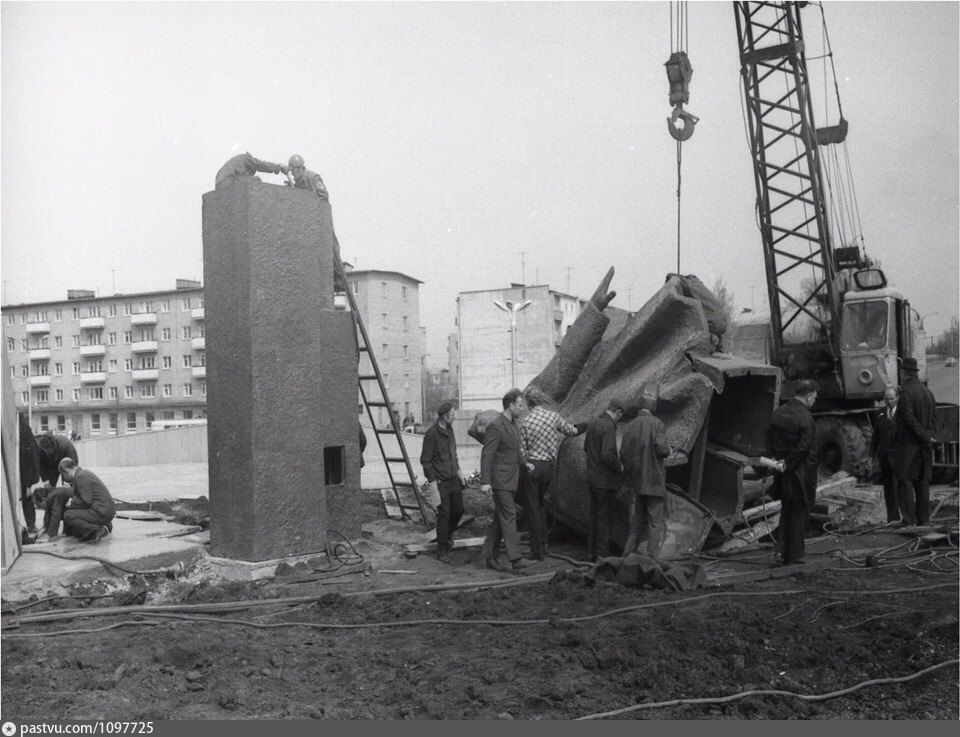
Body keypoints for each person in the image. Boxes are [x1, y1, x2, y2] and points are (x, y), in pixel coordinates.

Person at [519, 386, 585, 560]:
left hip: (533, 467)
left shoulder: (526, 422)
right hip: (549, 468)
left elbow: (522, 451)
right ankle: (545, 545)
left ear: (527, 402)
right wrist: (585, 426)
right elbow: (572, 431)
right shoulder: (553, 416)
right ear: (541, 400)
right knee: (542, 505)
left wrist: (526, 464)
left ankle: (537, 551)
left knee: (533, 509)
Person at [480, 389, 535, 572]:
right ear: (511, 405)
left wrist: (525, 463)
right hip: (500, 481)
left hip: (512, 479)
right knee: (510, 514)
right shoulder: (496, 426)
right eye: (520, 406)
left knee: (500, 518)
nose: (522, 409)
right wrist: (485, 481)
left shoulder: (513, 424)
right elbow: (487, 455)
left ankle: (489, 556)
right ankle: (516, 559)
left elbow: (515, 450)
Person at [766, 380, 819, 564]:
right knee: (798, 512)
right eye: (814, 398)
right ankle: (795, 554)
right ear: (809, 395)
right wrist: (789, 463)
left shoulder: (778, 412)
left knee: (786, 510)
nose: (814, 402)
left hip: (781, 472)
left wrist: (777, 459)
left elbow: (768, 438)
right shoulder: (805, 416)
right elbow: (804, 447)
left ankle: (780, 551)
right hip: (800, 472)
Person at [621, 389, 672, 559]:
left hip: (637, 483)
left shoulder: (629, 426)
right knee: (655, 523)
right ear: (653, 408)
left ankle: (626, 555)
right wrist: (669, 450)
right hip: (654, 482)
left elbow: (623, 454)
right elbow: (661, 448)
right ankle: (651, 562)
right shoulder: (657, 424)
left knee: (638, 521)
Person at [420, 401, 467, 563]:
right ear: (444, 416)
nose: (454, 417)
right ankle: (441, 550)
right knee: (444, 514)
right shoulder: (431, 435)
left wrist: (460, 474)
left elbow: (453, 455)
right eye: (452, 414)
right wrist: (433, 485)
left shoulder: (450, 430)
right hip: (440, 482)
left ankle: (447, 537)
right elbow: (426, 462)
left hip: (453, 479)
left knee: (459, 510)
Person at [894, 357, 937, 526]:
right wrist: (928, 436)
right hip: (925, 447)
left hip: (908, 446)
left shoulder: (906, 392)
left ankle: (909, 521)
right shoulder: (928, 392)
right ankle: (923, 520)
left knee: (905, 481)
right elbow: (935, 417)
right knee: (922, 482)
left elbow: (909, 419)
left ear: (904, 373)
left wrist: (923, 436)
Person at [583, 398, 625, 561]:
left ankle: (591, 553)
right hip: (604, 481)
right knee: (603, 519)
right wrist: (619, 466)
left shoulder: (594, 422)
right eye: (620, 416)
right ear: (618, 412)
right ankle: (602, 555)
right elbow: (607, 455)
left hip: (592, 478)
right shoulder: (608, 426)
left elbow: (586, 448)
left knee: (593, 516)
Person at [36, 458, 115, 543]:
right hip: (104, 509)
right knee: (74, 522)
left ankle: (98, 530)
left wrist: (71, 502)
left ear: (66, 471)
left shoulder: (80, 476)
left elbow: (87, 501)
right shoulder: (83, 474)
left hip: (102, 511)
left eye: (63, 475)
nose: (64, 478)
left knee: (69, 515)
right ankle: (101, 527)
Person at [869, 386, 900, 523]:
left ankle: (905, 518)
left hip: (899, 459)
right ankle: (892, 518)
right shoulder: (880, 414)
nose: (889, 401)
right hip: (885, 460)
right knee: (889, 490)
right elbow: (875, 438)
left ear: (897, 398)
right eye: (886, 399)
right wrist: (871, 456)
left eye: (892, 398)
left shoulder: (902, 414)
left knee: (899, 488)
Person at [214, 152, 288, 189]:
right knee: (255, 180)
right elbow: (261, 165)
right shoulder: (246, 158)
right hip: (227, 183)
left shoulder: (239, 163)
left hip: (222, 184)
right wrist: (279, 167)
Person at [18, 412, 41, 534]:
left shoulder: (22, 433)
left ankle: (31, 525)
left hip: (24, 474)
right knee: (26, 499)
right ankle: (31, 525)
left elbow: (26, 461)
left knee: (26, 498)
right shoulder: (25, 430)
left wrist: (27, 485)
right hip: (24, 473)